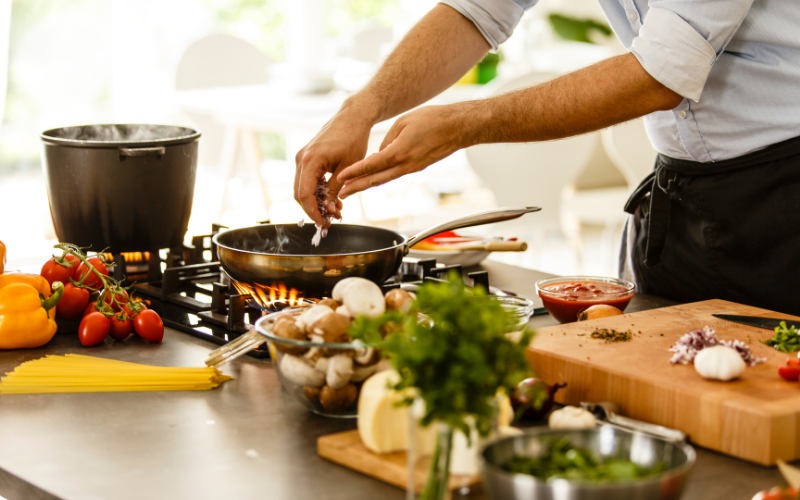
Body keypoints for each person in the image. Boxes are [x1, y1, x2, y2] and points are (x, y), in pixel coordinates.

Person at [294, 1, 800, 315]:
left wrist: (465, 124)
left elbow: (660, 74)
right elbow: (477, 8)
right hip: (679, 195)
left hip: (786, 195)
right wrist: (362, 107)